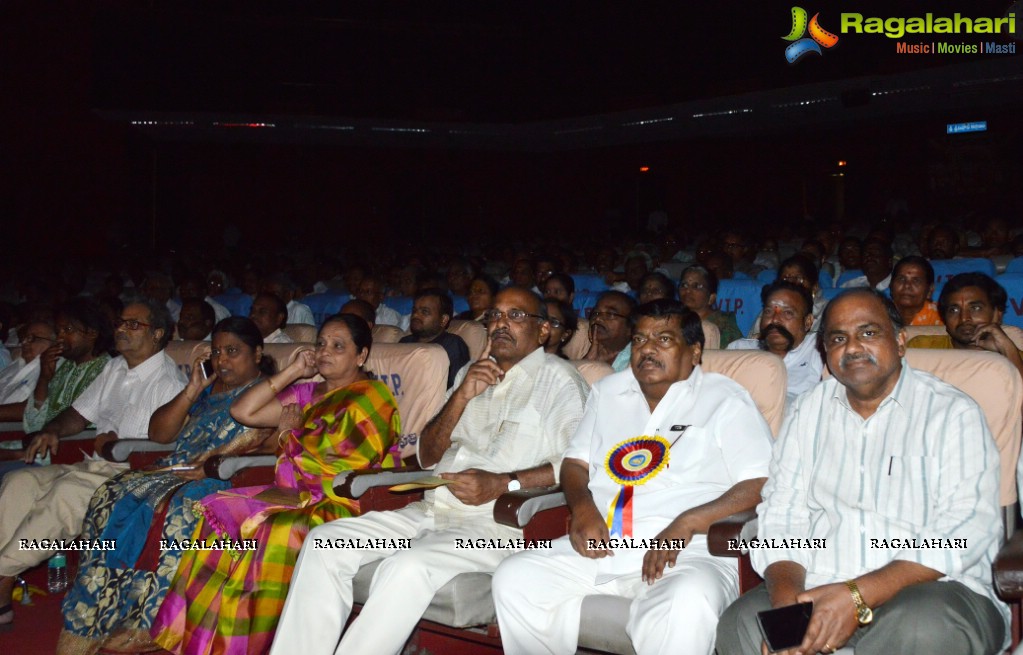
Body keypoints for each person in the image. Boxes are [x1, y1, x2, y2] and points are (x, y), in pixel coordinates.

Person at [268, 287, 588, 655]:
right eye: (495, 315)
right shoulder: (471, 372)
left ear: (543, 330)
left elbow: (579, 464)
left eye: (515, 316)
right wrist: (463, 394)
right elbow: (427, 456)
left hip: (496, 526)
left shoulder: (561, 381)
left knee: (406, 567)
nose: (500, 324)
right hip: (430, 511)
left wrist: (505, 482)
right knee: (325, 543)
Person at [716, 289, 1007, 655]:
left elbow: (968, 528)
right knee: (741, 624)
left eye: (869, 333)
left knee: (923, 627)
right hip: (820, 584)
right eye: (838, 338)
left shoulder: (952, 413)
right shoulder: (808, 412)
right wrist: (788, 606)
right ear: (825, 350)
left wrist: (856, 595)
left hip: (929, 590)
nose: (853, 347)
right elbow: (783, 515)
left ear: (900, 342)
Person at [492, 300, 773, 655]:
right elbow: (574, 464)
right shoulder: (608, 392)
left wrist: (687, 523)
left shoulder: (725, 400)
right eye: (640, 339)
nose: (648, 349)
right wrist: (583, 509)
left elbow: (761, 483)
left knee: (687, 601)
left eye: (664, 339)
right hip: (606, 543)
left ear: (695, 352)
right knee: (514, 577)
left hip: (691, 552)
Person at [151, 314, 400, 655]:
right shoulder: (306, 392)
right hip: (295, 493)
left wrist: (287, 435)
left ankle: (239, 646)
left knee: (275, 530)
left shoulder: (373, 396)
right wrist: (294, 371)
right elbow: (243, 411)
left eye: (338, 346)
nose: (325, 351)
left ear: (361, 356)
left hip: (343, 499)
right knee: (221, 514)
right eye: (321, 344)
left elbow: (343, 463)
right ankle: (195, 642)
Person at [57, 317, 274, 653]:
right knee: (111, 494)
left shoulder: (270, 392)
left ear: (257, 354)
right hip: (175, 471)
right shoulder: (205, 393)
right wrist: (191, 391)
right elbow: (160, 434)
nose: (223, 360)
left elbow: (273, 444)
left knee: (178, 509)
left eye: (233, 351)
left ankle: (154, 622)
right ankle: (99, 612)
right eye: (217, 352)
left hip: (228, 479)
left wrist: (214, 465)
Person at [0, 300, 186, 627]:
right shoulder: (114, 368)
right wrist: (51, 431)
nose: (121, 329)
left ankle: (3, 576)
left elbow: (164, 449)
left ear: (157, 334)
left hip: (133, 474)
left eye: (133, 324)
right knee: (20, 483)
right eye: (120, 322)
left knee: (67, 494)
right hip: (96, 465)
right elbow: (78, 414)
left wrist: (115, 445)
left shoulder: (168, 381)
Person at [907, 272, 1023, 379]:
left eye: (975, 308)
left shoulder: (1014, 356)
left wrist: (1007, 350)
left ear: (997, 314)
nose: (964, 318)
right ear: (944, 318)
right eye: (954, 310)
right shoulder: (922, 347)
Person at [728, 281, 823, 403]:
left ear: (808, 322)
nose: (774, 320)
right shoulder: (739, 350)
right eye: (768, 312)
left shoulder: (818, 350)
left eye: (788, 313)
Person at [398, 288, 470, 389]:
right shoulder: (404, 342)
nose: (415, 315)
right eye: (414, 310)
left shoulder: (453, 345)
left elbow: (453, 388)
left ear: (443, 320)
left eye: (425, 312)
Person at [678, 266, 742, 348]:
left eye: (696, 286)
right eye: (684, 285)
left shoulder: (725, 326)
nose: (687, 290)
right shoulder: (673, 319)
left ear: (711, 298)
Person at [0, 321, 54, 405]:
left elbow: (33, 410)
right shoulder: (16, 364)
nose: (25, 342)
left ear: (53, 344)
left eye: (34, 338)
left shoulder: (48, 375)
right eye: (25, 338)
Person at [585, 290, 637, 372]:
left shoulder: (638, 361)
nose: (597, 319)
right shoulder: (587, 350)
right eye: (596, 313)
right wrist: (586, 363)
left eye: (610, 314)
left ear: (630, 328)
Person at [889, 255, 942, 326]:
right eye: (901, 279)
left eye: (916, 281)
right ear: (891, 286)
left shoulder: (943, 317)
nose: (907, 285)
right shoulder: (879, 313)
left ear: (930, 290)